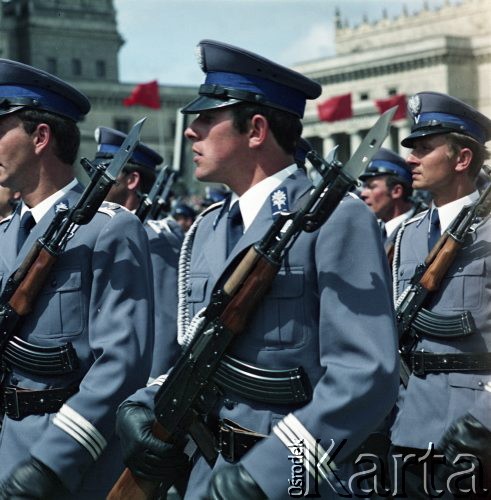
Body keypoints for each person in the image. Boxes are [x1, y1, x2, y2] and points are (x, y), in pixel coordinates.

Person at [114, 39, 399, 499]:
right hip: (207, 471)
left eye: (207, 119)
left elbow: (367, 375)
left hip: (288, 478)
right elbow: (197, 351)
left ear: (256, 129)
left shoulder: (336, 220)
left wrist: (268, 473)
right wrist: (144, 404)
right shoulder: (207, 228)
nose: (192, 132)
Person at [0, 59, 154, 499]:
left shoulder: (109, 229)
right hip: (9, 448)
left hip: (73, 464)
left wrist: (52, 462)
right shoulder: (6, 235)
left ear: (40, 137)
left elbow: (120, 365)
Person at [389, 91, 491, 498]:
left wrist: (483, 420)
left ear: (462, 159)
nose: (410, 159)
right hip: (409, 426)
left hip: (474, 432)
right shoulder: (408, 234)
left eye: (424, 149)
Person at [93, 126, 184, 378]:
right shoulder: (106, 232)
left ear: (132, 180)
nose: (94, 182)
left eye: (104, 174)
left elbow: (163, 325)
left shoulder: (152, 240)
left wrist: (147, 395)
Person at [360, 148, 419, 248]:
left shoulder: (419, 230)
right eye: (365, 187)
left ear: (396, 191)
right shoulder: (373, 232)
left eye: (372, 187)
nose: (363, 194)